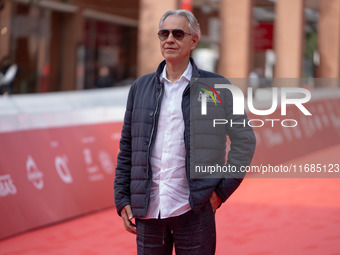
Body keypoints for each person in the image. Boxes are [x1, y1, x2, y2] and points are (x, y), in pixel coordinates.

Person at [114, 9, 256, 255]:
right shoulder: (140, 88)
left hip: (194, 211)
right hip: (149, 212)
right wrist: (123, 199)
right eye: (164, 33)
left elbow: (245, 140)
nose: (169, 39)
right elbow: (127, 146)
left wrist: (219, 193)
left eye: (178, 33)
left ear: (194, 40)